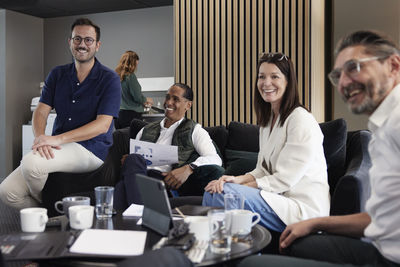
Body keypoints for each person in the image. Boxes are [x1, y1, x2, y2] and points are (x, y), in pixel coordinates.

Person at [239, 30, 400, 267]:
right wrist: (315, 224)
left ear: (393, 65)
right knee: (293, 244)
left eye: (354, 67)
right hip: (377, 248)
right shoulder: (381, 130)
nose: (344, 82)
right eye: (338, 74)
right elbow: (380, 218)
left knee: (250, 265)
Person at [0, 18, 121, 209]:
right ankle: (50, 215)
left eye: (88, 40)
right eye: (77, 39)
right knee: (7, 192)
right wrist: (41, 137)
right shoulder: (57, 74)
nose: (82, 44)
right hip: (59, 145)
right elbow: (41, 111)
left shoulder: (109, 79)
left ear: (97, 45)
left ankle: (51, 207)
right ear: (70, 42)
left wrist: (57, 140)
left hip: (91, 149)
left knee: (32, 164)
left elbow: (103, 125)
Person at [202, 52, 330, 232]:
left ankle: (233, 250)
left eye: (274, 76)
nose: (266, 83)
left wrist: (237, 186)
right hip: (277, 198)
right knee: (213, 190)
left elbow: (284, 180)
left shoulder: (301, 120)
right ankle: (220, 248)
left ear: (288, 81)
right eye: (261, 77)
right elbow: (263, 169)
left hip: (302, 209)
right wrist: (235, 179)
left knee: (225, 193)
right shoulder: (268, 121)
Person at [113, 83, 224, 209]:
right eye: (167, 97)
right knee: (132, 161)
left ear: (188, 105)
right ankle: (138, 211)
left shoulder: (195, 130)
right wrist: (128, 160)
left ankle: (132, 212)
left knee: (122, 186)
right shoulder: (145, 130)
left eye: (175, 99)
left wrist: (189, 168)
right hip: (140, 176)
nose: (169, 103)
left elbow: (215, 158)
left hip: (164, 182)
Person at [114, 50, 153, 129]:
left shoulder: (115, 76)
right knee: (132, 140)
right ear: (133, 63)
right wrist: (146, 100)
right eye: (136, 64)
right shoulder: (130, 77)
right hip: (131, 116)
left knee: (121, 140)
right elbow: (137, 97)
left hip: (118, 115)